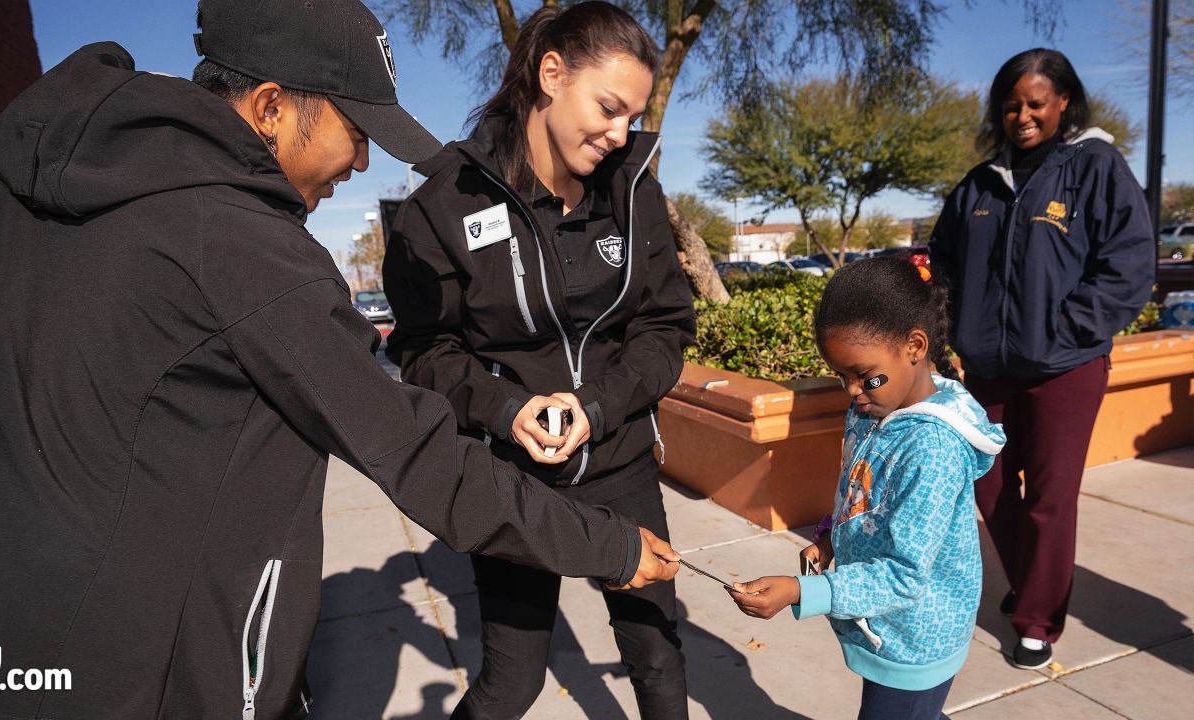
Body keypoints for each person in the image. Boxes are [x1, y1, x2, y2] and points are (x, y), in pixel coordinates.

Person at [0, 1, 682, 718]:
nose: (357, 164)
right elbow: (410, 445)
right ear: (273, 107)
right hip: (149, 669)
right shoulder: (247, 249)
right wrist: (608, 548)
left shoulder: (2, 189)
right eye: (356, 133)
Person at [381, 3, 696, 717]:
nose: (621, 134)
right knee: (512, 680)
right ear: (552, 73)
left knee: (658, 657)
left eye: (631, 116)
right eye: (610, 108)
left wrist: (596, 407)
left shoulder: (633, 185)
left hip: (619, 459)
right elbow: (424, 349)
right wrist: (506, 407)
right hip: (512, 482)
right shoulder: (443, 205)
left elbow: (664, 327)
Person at [928, 48, 1154, 670]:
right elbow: (941, 260)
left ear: (1062, 103)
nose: (1021, 116)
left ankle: (1036, 619)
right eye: (1010, 106)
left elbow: (1131, 264)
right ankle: (1032, 584)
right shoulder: (980, 182)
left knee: (1050, 498)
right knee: (991, 485)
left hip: (1065, 369)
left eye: (1034, 103)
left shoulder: (1097, 167)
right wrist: (947, 333)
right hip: (988, 368)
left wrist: (1068, 330)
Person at [726, 257, 1007, 720]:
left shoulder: (933, 448)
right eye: (841, 376)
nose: (853, 391)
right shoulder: (873, 408)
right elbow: (861, 490)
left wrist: (801, 593)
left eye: (865, 376)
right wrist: (831, 536)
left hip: (916, 637)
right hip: (884, 622)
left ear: (915, 346)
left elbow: (904, 574)